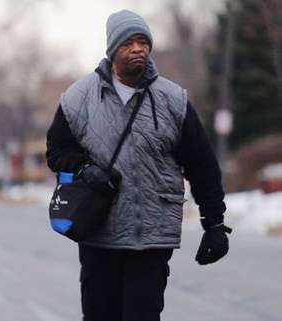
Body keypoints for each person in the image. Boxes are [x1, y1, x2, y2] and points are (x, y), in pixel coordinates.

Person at [46, 9, 232, 321]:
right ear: (112, 50)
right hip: (99, 232)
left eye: (143, 42)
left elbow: (202, 165)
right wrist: (83, 168)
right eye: (128, 43)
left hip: (151, 236)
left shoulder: (173, 100)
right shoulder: (78, 99)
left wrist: (214, 223)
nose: (138, 49)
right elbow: (56, 151)